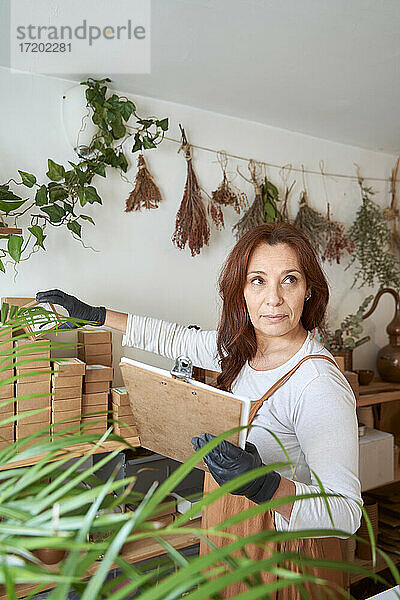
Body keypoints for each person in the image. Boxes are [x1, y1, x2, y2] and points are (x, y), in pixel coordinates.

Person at [36, 222, 362, 599]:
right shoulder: (239, 350)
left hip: (286, 560)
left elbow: (346, 513)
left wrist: (267, 485)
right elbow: (176, 338)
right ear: (240, 291)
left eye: (289, 280)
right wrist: (97, 316)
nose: (273, 298)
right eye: (257, 280)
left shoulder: (318, 383)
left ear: (308, 290)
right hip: (229, 540)